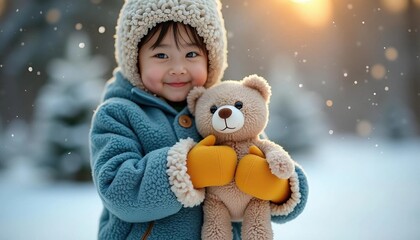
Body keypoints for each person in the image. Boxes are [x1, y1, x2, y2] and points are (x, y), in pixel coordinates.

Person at [89, 0, 309, 239]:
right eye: (161, 54)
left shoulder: (221, 107)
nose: (178, 68)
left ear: (210, 59)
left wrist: (278, 188)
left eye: (191, 54)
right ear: (135, 60)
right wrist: (187, 170)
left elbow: (271, 157)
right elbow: (118, 191)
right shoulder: (118, 114)